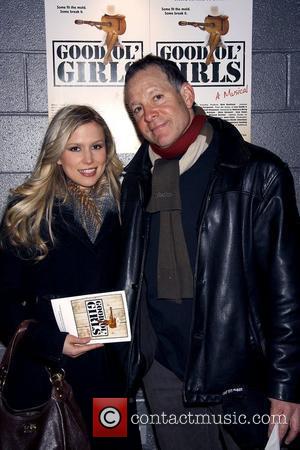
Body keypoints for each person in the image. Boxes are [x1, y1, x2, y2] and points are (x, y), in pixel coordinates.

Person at [119, 54, 300, 450]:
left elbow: (288, 291)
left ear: (186, 93)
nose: (148, 114)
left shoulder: (258, 172)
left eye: (156, 97)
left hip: (240, 374)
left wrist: (285, 384)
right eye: (137, 108)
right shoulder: (136, 181)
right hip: (165, 371)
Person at [0, 105, 141, 450]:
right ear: (57, 155)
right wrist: (52, 342)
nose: (89, 158)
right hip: (49, 378)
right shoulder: (28, 213)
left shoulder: (129, 208)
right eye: (75, 148)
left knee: (114, 443)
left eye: (97, 145)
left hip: (110, 378)